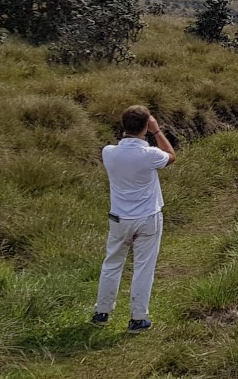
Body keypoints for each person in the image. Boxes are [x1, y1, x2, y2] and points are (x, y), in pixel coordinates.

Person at [91, 105, 176, 333]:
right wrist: (157, 132)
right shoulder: (150, 155)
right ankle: (138, 318)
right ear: (146, 126)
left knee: (111, 264)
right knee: (143, 268)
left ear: (124, 125)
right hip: (148, 217)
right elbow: (171, 157)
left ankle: (102, 312)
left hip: (119, 218)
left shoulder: (108, 152)